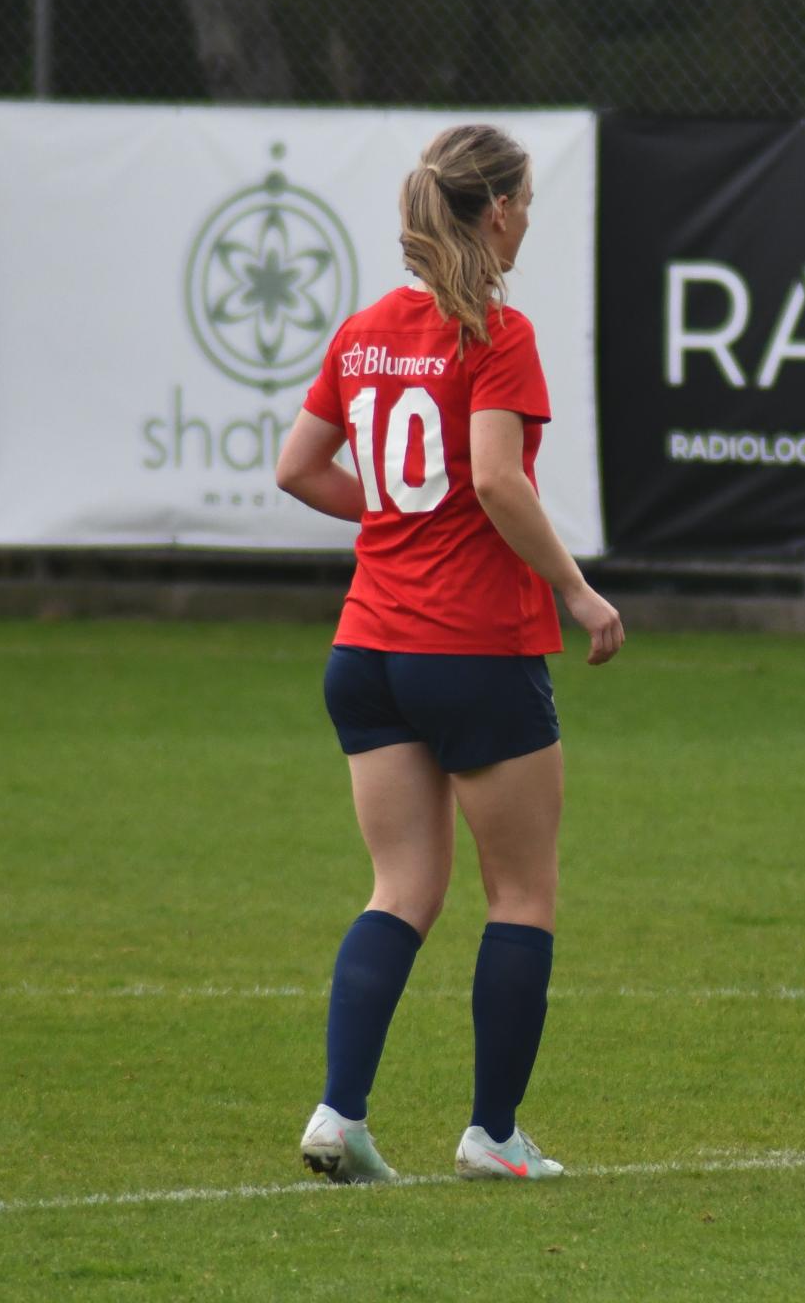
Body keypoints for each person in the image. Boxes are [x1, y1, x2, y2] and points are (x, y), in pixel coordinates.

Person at [275, 123, 623, 1185]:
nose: (527, 219)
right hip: (474, 646)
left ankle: (339, 1114)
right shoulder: (496, 333)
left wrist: (390, 517)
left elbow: (297, 467)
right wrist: (575, 588)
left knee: (401, 888)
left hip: (367, 649)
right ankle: (494, 1134)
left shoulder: (366, 329)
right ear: (499, 211)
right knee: (520, 894)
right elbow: (496, 479)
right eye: (522, 203)